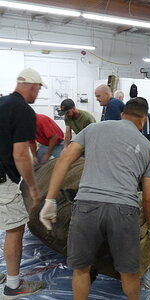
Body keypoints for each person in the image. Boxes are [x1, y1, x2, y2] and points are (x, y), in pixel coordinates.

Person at [39, 97, 150, 300]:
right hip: (125, 210)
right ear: (143, 120)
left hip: (87, 206)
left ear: (123, 115)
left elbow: (65, 158)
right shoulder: (148, 148)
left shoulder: (94, 129)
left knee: (81, 270)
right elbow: (149, 197)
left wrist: (50, 200)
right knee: (129, 273)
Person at [0, 68, 46, 299]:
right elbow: (20, 154)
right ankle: (13, 286)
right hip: (2, 178)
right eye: (38, 89)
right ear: (32, 86)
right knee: (15, 228)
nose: (37, 93)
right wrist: (34, 187)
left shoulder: (1, 102)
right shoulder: (23, 109)